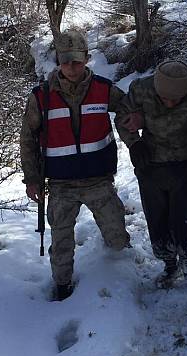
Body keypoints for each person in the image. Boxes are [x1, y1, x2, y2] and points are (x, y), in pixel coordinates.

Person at [20, 30, 130, 301]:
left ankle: (120, 270)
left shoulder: (104, 89)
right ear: (59, 60)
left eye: (77, 61)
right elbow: (28, 139)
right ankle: (62, 286)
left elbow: (131, 111)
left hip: (99, 181)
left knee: (117, 238)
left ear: (87, 59)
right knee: (61, 243)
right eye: (66, 61)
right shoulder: (41, 97)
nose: (71, 67)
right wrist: (32, 178)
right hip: (60, 185)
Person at [115, 60, 187, 287]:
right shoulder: (141, 89)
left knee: (182, 217)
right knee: (157, 220)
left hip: (186, 164)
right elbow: (121, 116)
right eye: (165, 98)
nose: (170, 103)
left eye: (176, 100)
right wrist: (134, 143)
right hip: (151, 164)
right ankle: (169, 263)